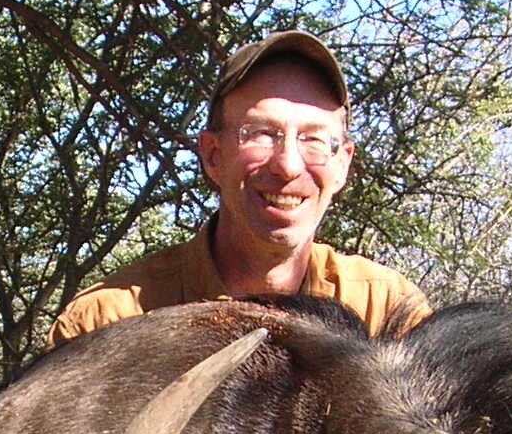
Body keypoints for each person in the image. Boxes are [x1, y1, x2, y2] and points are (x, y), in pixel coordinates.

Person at [50, 30, 428, 345]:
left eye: (313, 139)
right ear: (213, 155)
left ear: (343, 163)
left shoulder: (388, 313)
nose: (287, 166)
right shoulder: (106, 322)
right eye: (261, 134)